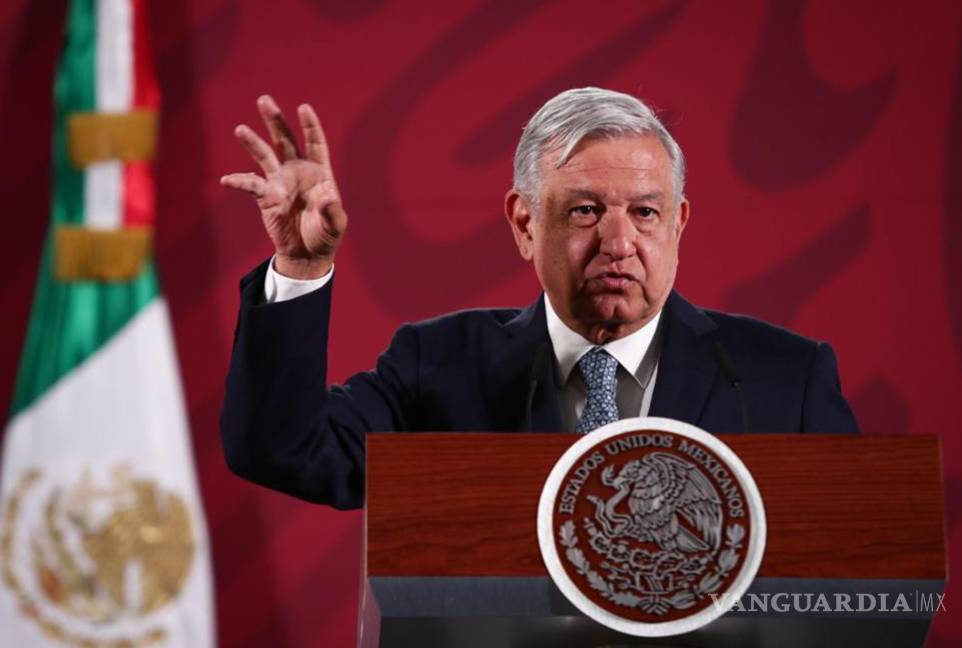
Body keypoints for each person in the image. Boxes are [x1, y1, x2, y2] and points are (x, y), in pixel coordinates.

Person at [219, 88, 858, 510]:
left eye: (644, 212)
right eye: (585, 211)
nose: (619, 243)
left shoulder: (785, 379)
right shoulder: (438, 364)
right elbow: (284, 451)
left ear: (678, 224)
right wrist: (302, 266)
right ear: (525, 224)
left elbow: (859, 567)